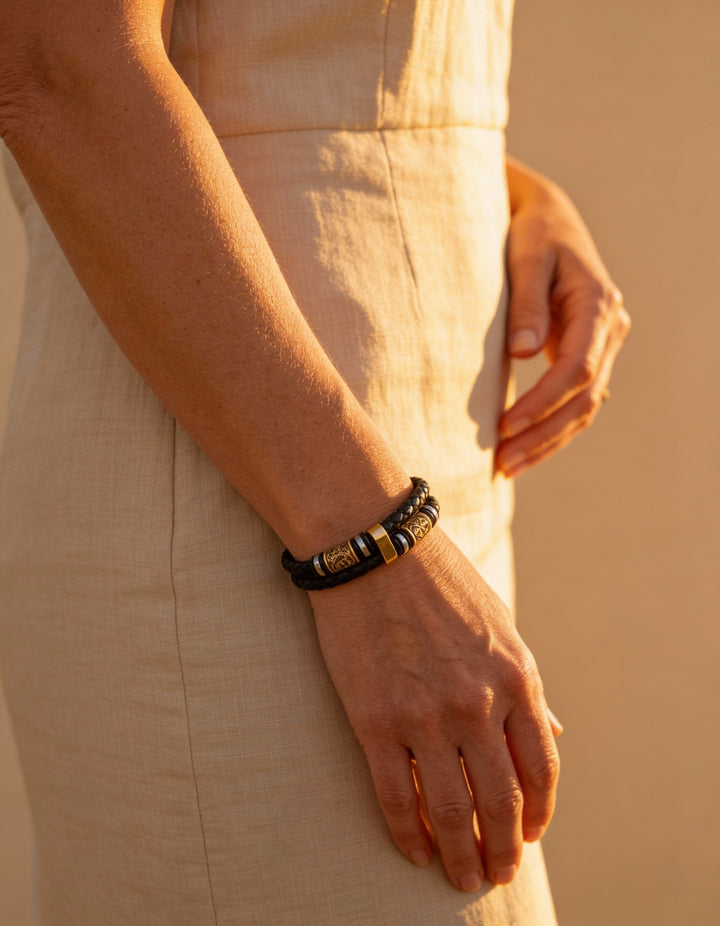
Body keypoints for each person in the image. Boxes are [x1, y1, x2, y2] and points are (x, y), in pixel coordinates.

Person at [0, 1, 630, 924]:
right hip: (256, 503)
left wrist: (516, 193)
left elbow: (292, 66)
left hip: (388, 489)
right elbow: (58, 65)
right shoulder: (354, 540)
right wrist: (373, 546)